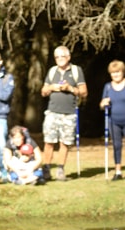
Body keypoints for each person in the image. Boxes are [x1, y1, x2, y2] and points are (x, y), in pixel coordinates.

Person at [41, 45, 87, 181]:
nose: (60, 59)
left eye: (62, 56)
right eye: (57, 57)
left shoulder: (76, 70)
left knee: (64, 143)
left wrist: (70, 88)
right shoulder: (52, 71)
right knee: (48, 142)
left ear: (68, 57)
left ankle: (60, 170)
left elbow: (84, 92)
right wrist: (51, 87)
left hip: (69, 114)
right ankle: (46, 170)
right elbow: (43, 91)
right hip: (52, 112)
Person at [100, 59, 125, 181]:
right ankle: (118, 171)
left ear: (122, 72)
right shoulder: (108, 86)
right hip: (113, 121)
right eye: (113, 72)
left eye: (118, 72)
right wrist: (104, 103)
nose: (116, 75)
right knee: (117, 145)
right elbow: (101, 104)